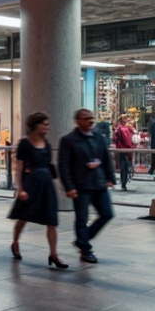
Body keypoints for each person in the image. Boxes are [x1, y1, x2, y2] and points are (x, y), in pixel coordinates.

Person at [7, 112, 67, 268]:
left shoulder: (46, 144)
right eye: (44, 124)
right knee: (24, 216)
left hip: (46, 184)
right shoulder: (25, 144)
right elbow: (19, 167)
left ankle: (53, 254)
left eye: (47, 124)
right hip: (31, 184)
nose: (47, 127)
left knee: (52, 220)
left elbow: (48, 164)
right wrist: (20, 189)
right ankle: (15, 242)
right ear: (35, 125)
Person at [58, 108, 115, 263]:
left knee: (107, 214)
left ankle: (83, 239)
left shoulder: (99, 137)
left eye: (91, 118)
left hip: (99, 182)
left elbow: (106, 158)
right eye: (85, 118)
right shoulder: (69, 140)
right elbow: (63, 165)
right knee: (82, 218)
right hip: (81, 185)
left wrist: (111, 177)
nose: (90, 121)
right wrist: (69, 187)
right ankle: (85, 250)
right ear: (77, 121)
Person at [112, 114, 136, 190]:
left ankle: (124, 182)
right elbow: (127, 140)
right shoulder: (123, 128)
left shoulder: (122, 127)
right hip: (125, 149)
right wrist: (131, 147)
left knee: (123, 167)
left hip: (123, 149)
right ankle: (124, 183)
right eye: (126, 118)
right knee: (124, 167)